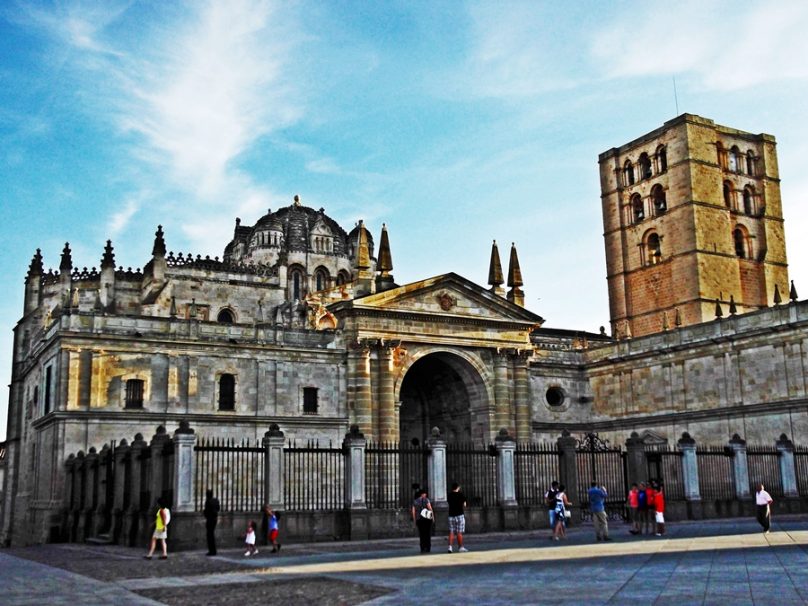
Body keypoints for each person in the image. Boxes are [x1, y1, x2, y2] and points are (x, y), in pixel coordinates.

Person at [447, 482, 468, 553]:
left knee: (451, 532)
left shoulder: (449, 495)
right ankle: (460, 547)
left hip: (451, 515)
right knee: (459, 532)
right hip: (459, 515)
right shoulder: (461, 495)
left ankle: (450, 547)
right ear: (458, 488)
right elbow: (464, 505)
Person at [411, 487, 434, 553]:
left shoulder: (415, 501)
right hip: (427, 519)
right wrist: (433, 518)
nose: (425, 494)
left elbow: (413, 512)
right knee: (427, 534)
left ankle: (422, 548)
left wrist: (415, 520)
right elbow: (430, 509)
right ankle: (428, 547)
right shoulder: (426, 500)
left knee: (422, 534)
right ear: (422, 494)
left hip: (419, 520)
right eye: (424, 493)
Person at [203, 488, 220, 556]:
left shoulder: (208, 501)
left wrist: (205, 514)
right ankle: (214, 550)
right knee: (211, 534)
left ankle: (211, 551)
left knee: (210, 535)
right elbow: (218, 508)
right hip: (215, 519)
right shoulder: (216, 500)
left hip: (210, 519)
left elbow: (206, 511)